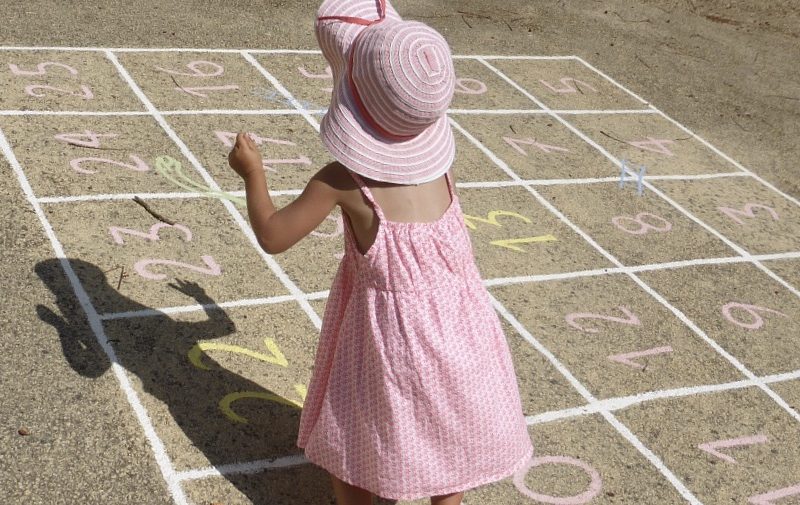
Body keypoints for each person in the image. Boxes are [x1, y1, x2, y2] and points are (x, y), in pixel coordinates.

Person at [227, 0, 534, 503]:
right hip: (462, 331)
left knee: (356, 434)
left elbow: (274, 236)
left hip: (391, 341)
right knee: (448, 435)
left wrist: (253, 173)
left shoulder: (342, 182)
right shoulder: (443, 168)